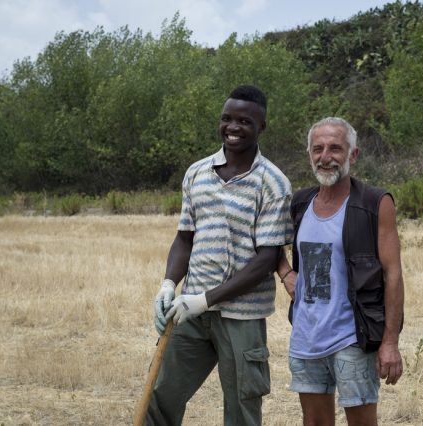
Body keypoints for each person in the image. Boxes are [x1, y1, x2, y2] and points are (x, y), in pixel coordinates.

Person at [147, 85, 293, 425]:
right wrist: (169, 285)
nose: (233, 127)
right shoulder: (197, 173)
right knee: (161, 396)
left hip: (241, 317)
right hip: (190, 314)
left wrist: (205, 299)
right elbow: (184, 239)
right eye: (227, 119)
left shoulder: (273, 183)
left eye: (245, 121)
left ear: (262, 127)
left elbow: (266, 260)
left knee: (242, 407)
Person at [277, 117, 404, 426]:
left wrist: (390, 342)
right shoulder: (300, 203)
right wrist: (285, 273)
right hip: (306, 335)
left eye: (335, 148)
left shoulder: (375, 202)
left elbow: (393, 275)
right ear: (309, 154)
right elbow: (268, 244)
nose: (326, 157)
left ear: (353, 155)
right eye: (318, 149)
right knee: (315, 422)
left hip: (353, 336)